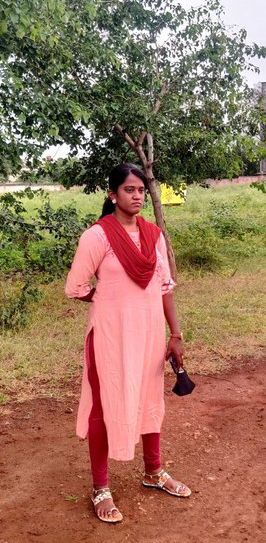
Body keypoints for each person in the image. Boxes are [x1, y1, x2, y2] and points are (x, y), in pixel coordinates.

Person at [65, 163, 191, 524]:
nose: (137, 196)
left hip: (150, 333)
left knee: (150, 399)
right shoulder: (97, 237)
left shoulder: (153, 235)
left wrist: (176, 335)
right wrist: (107, 297)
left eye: (140, 190)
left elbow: (164, 288)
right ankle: (100, 488)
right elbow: (75, 287)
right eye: (129, 190)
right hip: (110, 335)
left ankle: (153, 472)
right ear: (112, 195)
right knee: (104, 406)